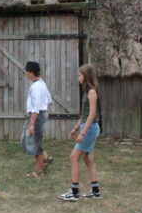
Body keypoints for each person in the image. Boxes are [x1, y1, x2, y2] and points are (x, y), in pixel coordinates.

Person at [59, 64, 101, 201]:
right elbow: (84, 114)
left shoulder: (92, 92)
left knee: (73, 157)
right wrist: (75, 128)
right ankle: (95, 191)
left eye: (79, 75)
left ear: (86, 76)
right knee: (88, 159)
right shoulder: (86, 92)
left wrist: (83, 133)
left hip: (90, 129)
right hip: (87, 127)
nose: (78, 78)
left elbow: (92, 114)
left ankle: (75, 192)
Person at [21, 61, 53, 177]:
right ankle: (46, 158)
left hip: (36, 116)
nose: (25, 73)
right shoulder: (41, 83)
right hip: (38, 115)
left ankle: (39, 171)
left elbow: (36, 107)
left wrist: (32, 124)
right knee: (26, 140)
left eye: (26, 71)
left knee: (34, 143)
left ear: (31, 72)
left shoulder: (37, 87)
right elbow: (49, 101)